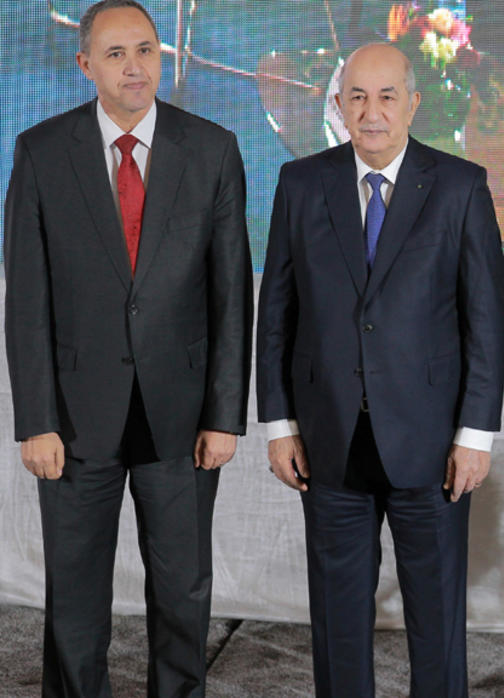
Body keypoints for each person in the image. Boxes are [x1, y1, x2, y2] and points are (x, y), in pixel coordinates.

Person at [3, 1, 252, 695]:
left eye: (146, 49)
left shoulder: (213, 149)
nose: (134, 66)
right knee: (75, 596)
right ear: (85, 64)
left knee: (183, 591)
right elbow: (27, 302)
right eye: (116, 54)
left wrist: (224, 417)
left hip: (183, 416)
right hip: (74, 419)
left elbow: (231, 297)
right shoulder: (41, 152)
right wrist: (36, 421)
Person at [255, 42, 504, 697]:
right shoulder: (301, 183)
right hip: (327, 440)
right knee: (337, 622)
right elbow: (277, 311)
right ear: (338, 106)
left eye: (387, 96)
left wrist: (475, 435)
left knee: (437, 618)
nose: (372, 112)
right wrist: (279, 425)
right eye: (357, 97)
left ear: (413, 103)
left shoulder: (459, 186)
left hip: (433, 445)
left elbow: (486, 322)